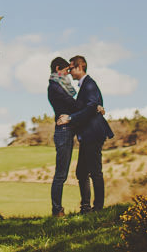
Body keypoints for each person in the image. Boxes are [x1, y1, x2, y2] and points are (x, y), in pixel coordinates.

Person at [66, 54, 114, 212]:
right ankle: (86, 206)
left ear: (80, 67)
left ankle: (97, 207)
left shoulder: (89, 84)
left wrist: (71, 118)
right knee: (82, 172)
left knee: (94, 171)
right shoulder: (86, 85)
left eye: (71, 68)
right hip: (87, 134)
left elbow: (93, 104)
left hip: (93, 133)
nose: (69, 72)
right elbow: (95, 104)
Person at [46, 56, 79, 217]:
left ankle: (57, 209)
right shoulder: (55, 87)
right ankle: (57, 209)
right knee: (61, 174)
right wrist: (90, 105)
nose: (68, 74)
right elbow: (71, 103)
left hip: (68, 129)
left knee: (62, 173)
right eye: (66, 70)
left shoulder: (60, 85)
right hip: (63, 130)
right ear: (58, 69)